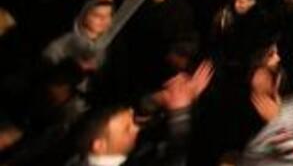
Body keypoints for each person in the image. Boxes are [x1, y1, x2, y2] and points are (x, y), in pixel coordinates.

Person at [68, 60, 212, 166]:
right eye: (127, 129)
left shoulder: (113, 151)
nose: (136, 128)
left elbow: (142, 119)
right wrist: (180, 114)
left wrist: (160, 99)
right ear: (99, 146)